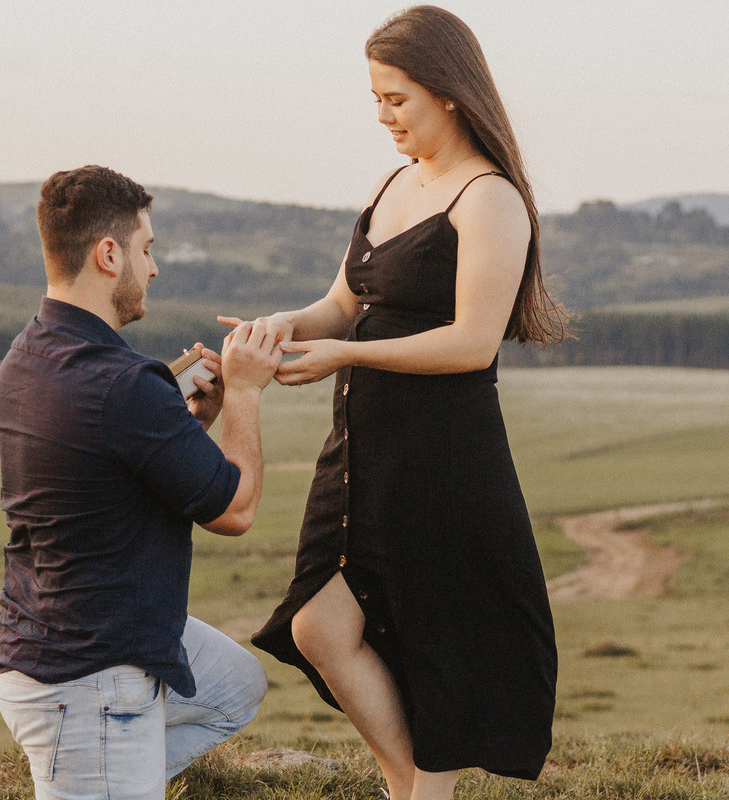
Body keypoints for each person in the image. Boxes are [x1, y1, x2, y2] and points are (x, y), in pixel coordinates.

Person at [236, 7, 567, 799]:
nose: (383, 116)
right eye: (376, 99)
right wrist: (278, 328)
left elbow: (472, 344)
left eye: (397, 99)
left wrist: (346, 354)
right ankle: (410, 787)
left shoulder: (489, 199)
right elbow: (340, 306)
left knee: (434, 645)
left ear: (448, 92)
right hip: (361, 454)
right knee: (320, 627)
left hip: (443, 459)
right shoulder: (391, 185)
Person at [0, 165, 282, 800]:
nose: (153, 268)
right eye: (146, 250)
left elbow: (112, 464)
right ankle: (102, 770)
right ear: (108, 254)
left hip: (52, 641)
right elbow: (235, 510)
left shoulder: (28, 355)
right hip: (92, 678)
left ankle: (116, 775)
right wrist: (245, 393)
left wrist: (188, 426)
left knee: (234, 685)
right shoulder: (123, 384)